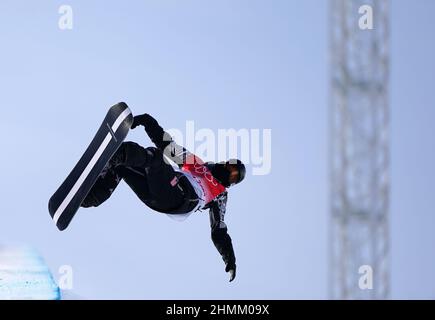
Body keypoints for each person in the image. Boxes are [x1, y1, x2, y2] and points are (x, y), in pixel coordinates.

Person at [81, 113, 246, 282]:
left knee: (154, 156)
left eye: (234, 176)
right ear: (226, 162)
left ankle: (114, 157)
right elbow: (167, 145)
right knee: (123, 162)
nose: (229, 172)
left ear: (233, 183)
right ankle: (90, 197)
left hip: (181, 198)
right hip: (159, 192)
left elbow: (219, 230)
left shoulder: (220, 194)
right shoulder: (197, 164)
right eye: (231, 166)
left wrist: (230, 259)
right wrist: (147, 121)